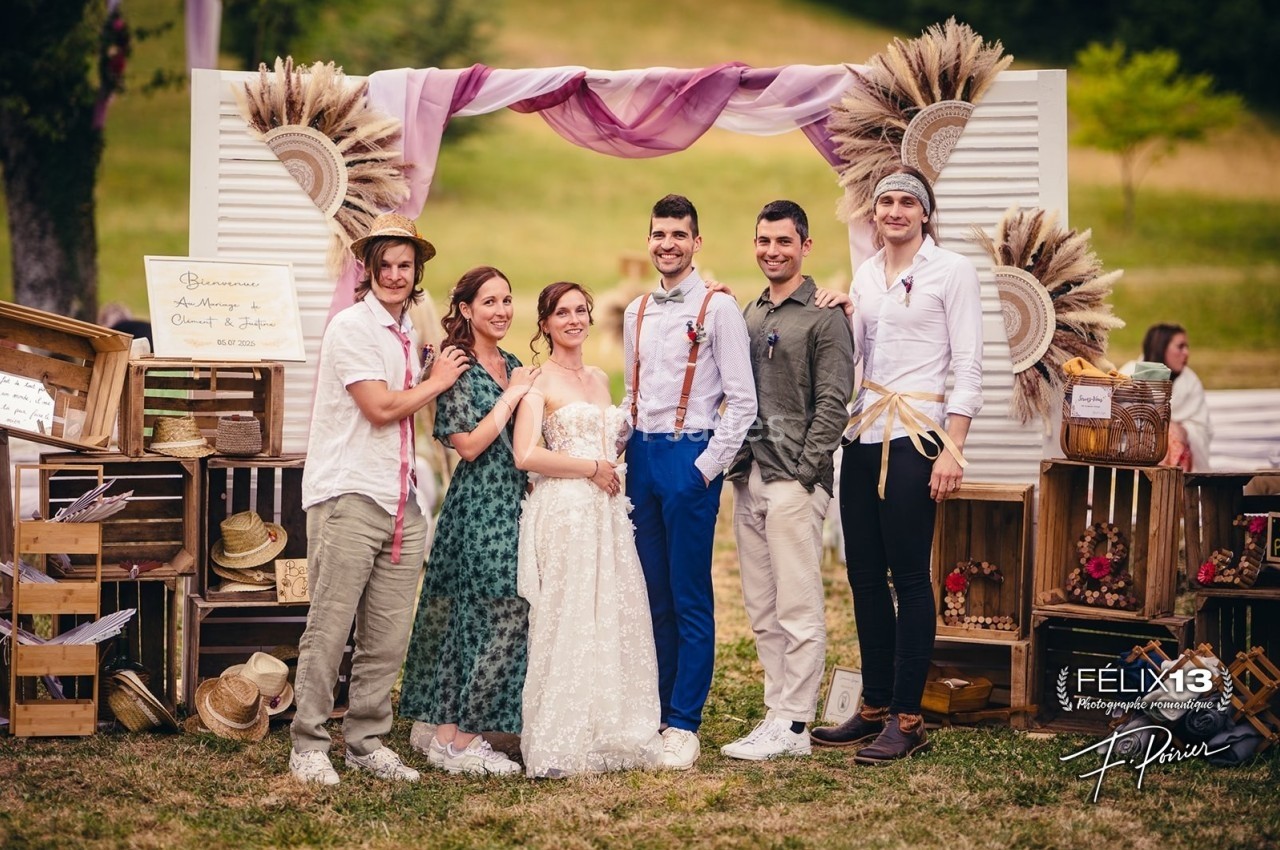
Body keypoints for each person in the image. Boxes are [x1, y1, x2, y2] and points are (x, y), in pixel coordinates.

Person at [290, 213, 470, 785]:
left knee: (388, 633)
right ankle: (308, 744)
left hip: (402, 498)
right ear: (366, 269)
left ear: (417, 272)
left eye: (405, 265)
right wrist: (436, 381)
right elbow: (380, 407)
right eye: (384, 264)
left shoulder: (405, 332)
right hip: (348, 492)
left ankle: (366, 740)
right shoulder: (351, 327)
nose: (395, 274)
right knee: (330, 626)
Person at [810, 166, 983, 763]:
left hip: (917, 437)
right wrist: (842, 307)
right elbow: (859, 352)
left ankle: (908, 718)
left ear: (925, 213)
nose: (895, 210)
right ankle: (874, 705)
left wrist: (952, 448)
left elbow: (969, 365)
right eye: (885, 201)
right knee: (862, 576)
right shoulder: (866, 272)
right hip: (864, 434)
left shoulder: (952, 271)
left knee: (908, 577)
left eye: (908, 201)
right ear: (874, 211)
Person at [622, 194, 757, 769]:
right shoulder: (636, 310)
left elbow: (743, 401)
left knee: (689, 595)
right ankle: (655, 707)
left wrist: (705, 468)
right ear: (648, 239)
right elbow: (636, 393)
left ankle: (684, 721)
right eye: (659, 234)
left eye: (678, 234)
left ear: (696, 242)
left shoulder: (718, 309)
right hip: (641, 461)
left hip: (690, 458)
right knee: (650, 594)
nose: (667, 244)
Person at [512, 282, 664, 778]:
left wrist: (610, 465)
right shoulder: (537, 383)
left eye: (581, 310)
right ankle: (562, 735)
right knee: (570, 614)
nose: (574, 319)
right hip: (567, 511)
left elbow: (613, 439)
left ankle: (611, 726)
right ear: (545, 324)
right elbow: (526, 454)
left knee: (611, 611)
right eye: (562, 312)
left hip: (608, 512)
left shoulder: (601, 377)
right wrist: (590, 467)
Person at [722, 201, 855, 761]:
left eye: (783, 241)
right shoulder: (747, 315)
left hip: (794, 481)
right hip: (747, 477)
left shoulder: (826, 317)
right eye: (763, 241)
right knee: (761, 608)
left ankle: (798, 724)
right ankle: (777, 712)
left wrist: (804, 475)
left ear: (805, 246)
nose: (772, 251)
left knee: (798, 607)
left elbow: (834, 403)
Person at [398, 266, 540, 776]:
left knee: (489, 617)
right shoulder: (452, 363)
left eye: (507, 300)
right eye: (489, 302)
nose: (501, 311)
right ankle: (462, 740)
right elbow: (471, 445)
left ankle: (448, 736)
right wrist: (512, 395)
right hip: (479, 506)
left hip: (516, 504)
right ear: (465, 310)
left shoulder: (514, 362)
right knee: (489, 618)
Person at [1124, 324, 1212, 472]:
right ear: (1161, 347)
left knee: (1170, 434)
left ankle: (1169, 488)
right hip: (1134, 457)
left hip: (1179, 462)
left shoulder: (1190, 381)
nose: (1186, 353)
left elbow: (1202, 428)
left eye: (1187, 347)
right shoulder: (1129, 374)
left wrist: (1185, 431)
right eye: (1180, 346)